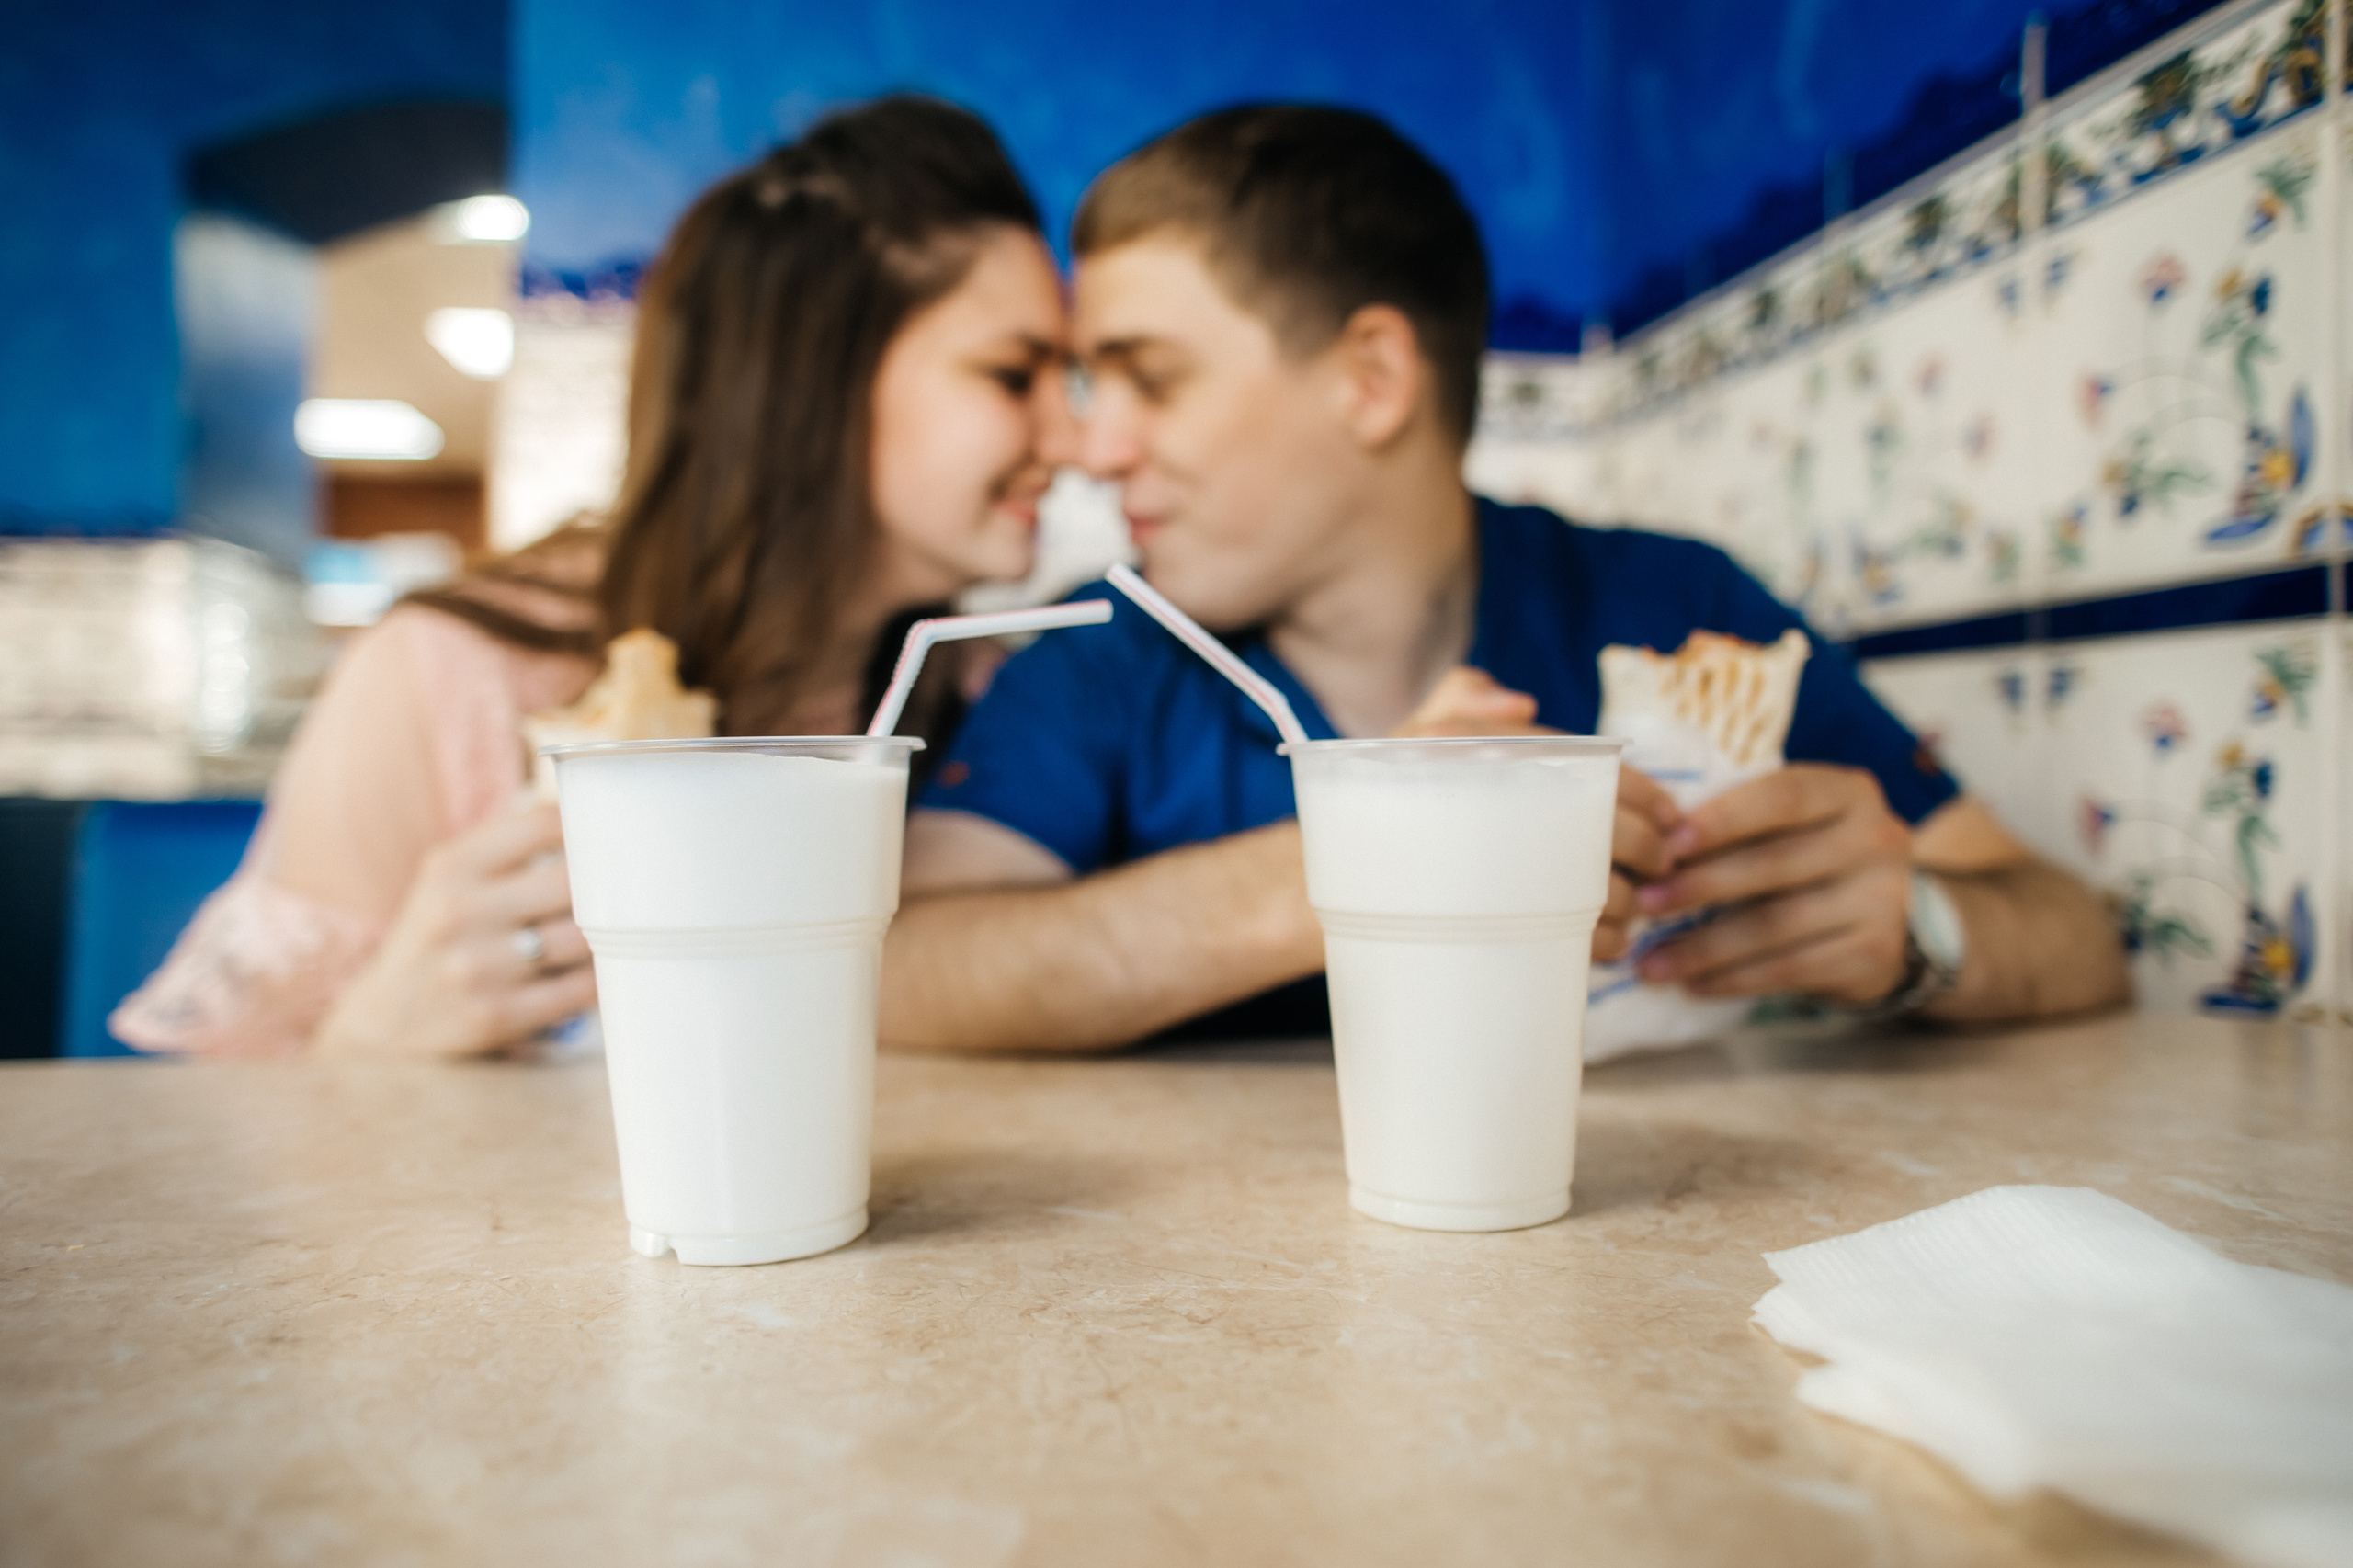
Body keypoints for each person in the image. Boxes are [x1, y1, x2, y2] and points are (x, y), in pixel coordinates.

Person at [880, 104, 2129, 1053]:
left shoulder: (1679, 607)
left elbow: (2075, 937)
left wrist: (1918, 932)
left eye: (1148, 375)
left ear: (1371, 378)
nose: (1094, 449)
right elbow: (900, 970)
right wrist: (1362, 861)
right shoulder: (1104, 655)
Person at [115, 96, 1076, 1059]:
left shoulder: (990, 699)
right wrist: (371, 1041)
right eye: (1011, 374)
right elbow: (215, 1138)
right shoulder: (449, 676)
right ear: (812, 380)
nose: (1071, 438)